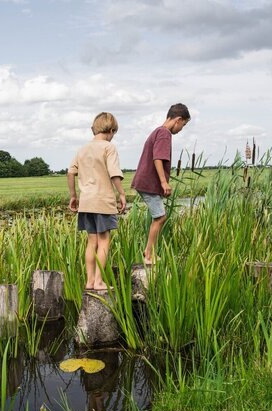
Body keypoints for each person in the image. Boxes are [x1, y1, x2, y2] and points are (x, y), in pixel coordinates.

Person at [67, 112, 126, 291]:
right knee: (104, 240)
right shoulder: (109, 147)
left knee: (91, 242)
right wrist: (122, 194)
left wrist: (73, 196)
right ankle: (99, 282)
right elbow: (114, 173)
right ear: (111, 130)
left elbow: (70, 172)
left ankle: (90, 281)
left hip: (86, 203)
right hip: (103, 202)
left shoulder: (83, 149)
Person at [131, 103, 190, 266]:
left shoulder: (158, 131)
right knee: (160, 217)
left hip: (145, 181)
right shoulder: (164, 133)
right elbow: (158, 158)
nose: (181, 129)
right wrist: (164, 182)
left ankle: (149, 252)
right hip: (148, 182)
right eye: (183, 125)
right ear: (178, 120)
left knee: (159, 216)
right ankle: (149, 254)